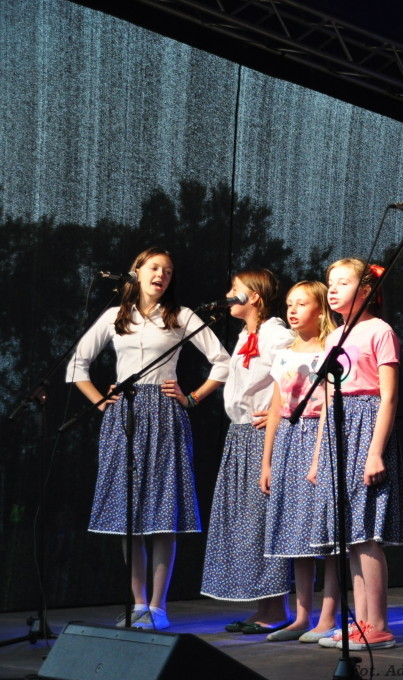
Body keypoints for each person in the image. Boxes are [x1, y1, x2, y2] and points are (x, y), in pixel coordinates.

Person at [67, 246, 230, 630]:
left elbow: (223, 362)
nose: (161, 275)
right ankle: (138, 603)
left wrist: (192, 397)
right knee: (130, 517)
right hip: (124, 414)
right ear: (137, 271)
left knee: (163, 514)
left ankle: (158, 607)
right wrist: (101, 401)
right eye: (154, 268)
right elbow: (76, 364)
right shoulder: (114, 316)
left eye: (168, 271)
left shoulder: (181, 316)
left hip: (165, 414)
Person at [312, 258, 403, 651]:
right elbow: (327, 398)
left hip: (367, 428)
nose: (332, 289)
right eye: (330, 283)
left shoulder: (380, 331)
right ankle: (361, 622)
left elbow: (389, 396)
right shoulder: (334, 336)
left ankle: (378, 624)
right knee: (350, 537)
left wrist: (375, 452)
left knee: (367, 533)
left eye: (343, 282)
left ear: (366, 291)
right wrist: (318, 456)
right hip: (339, 429)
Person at [201, 269, 294, 633]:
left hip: (261, 436)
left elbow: (294, 376)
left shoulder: (277, 334)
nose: (228, 294)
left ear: (254, 296)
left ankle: (277, 610)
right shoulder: (246, 335)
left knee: (263, 520)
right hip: (239, 435)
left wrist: (277, 411)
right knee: (247, 522)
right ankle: (262, 607)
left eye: (235, 289)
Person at [260, 281, 339, 643]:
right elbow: (276, 408)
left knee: (325, 535)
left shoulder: (330, 350)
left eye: (302, 304)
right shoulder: (284, 354)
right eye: (290, 304)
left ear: (321, 310)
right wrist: (267, 462)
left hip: (319, 437)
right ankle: (302, 616)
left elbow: (331, 403)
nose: (292, 310)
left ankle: (328, 616)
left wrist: (320, 456)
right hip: (289, 442)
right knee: (295, 534)